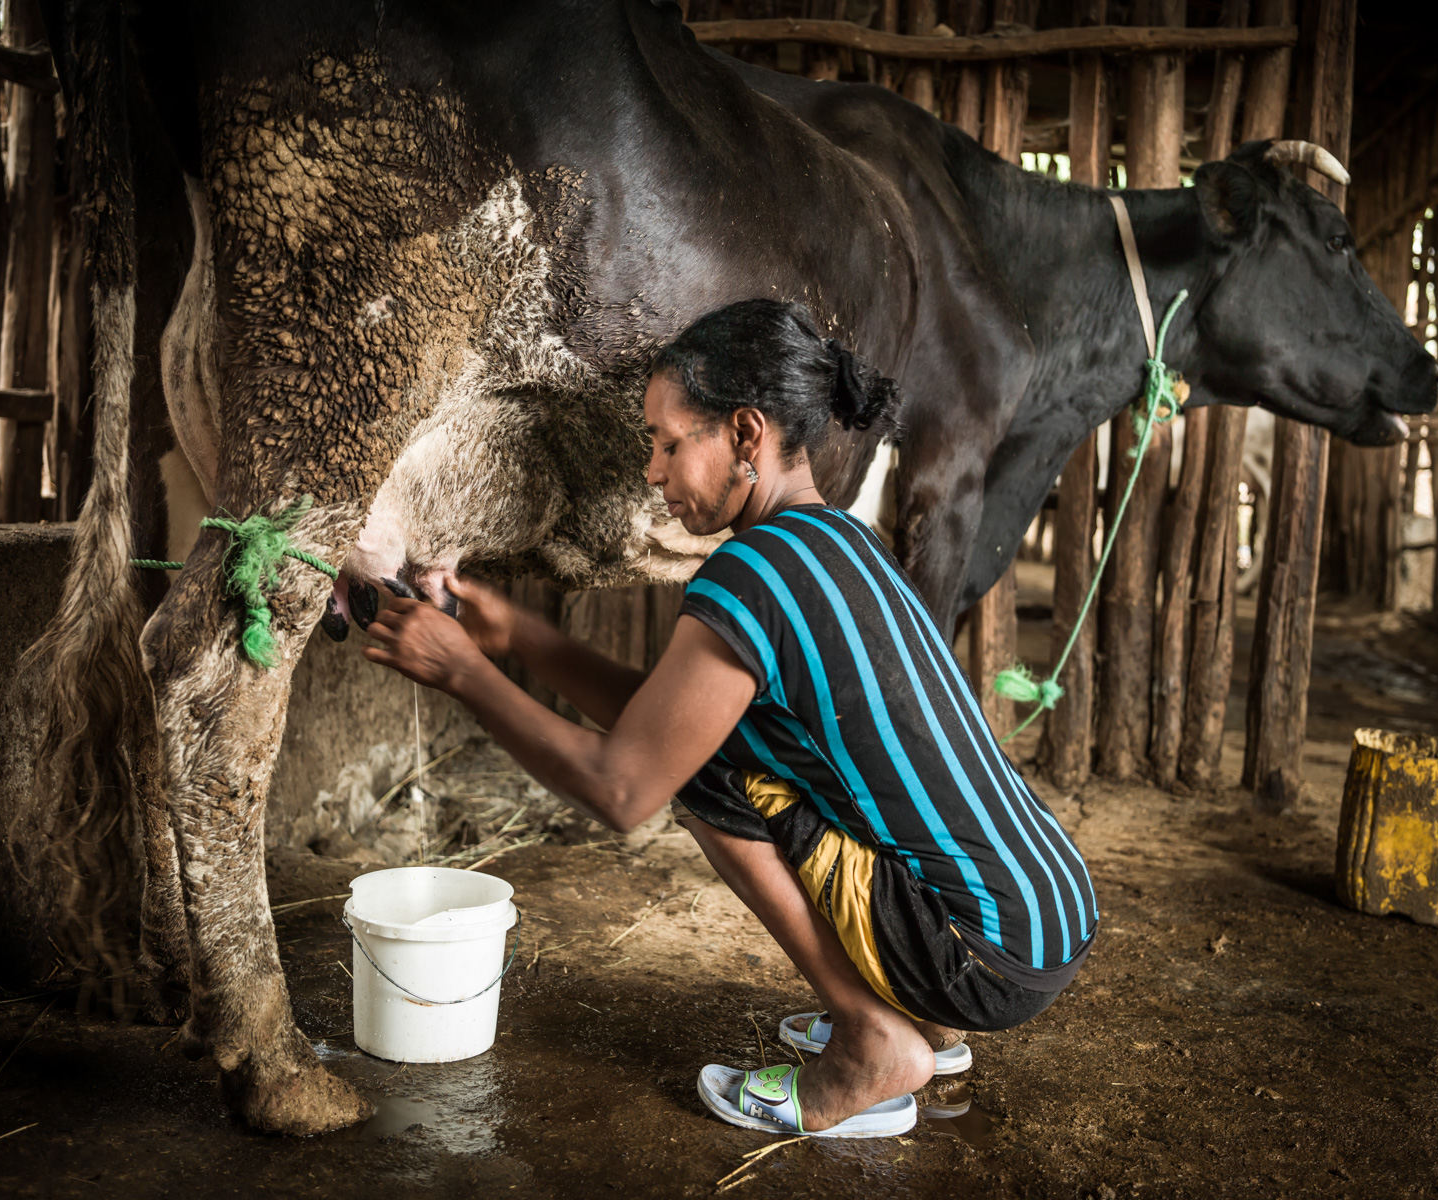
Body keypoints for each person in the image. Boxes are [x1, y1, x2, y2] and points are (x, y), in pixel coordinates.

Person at [363, 299, 1097, 1138]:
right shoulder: (838, 543)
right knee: (715, 749)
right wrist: (517, 637)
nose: (651, 471)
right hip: (1044, 918)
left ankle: (875, 1039)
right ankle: (927, 1020)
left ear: (746, 435)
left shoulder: (750, 574)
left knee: (709, 776)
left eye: (669, 442)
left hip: (978, 956)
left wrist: (461, 673)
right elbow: (669, 718)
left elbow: (625, 786)